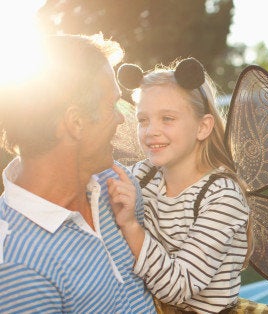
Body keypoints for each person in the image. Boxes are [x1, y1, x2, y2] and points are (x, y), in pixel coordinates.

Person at [0, 33, 156, 313]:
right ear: (76, 123)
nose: (121, 118)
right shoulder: (15, 264)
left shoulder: (119, 186)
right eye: (112, 106)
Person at [108, 58, 268, 314]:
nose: (151, 131)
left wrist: (130, 226)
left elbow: (179, 287)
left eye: (167, 118)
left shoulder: (222, 196)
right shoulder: (143, 176)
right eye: (143, 120)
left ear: (202, 127)